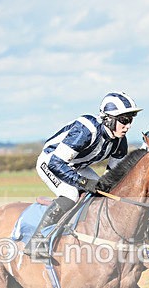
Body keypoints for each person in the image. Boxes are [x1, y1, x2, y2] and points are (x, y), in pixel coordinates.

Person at [26, 92, 142, 258]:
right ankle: (36, 241)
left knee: (106, 193)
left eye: (130, 120)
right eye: (124, 120)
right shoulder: (87, 130)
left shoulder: (120, 141)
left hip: (76, 165)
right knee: (71, 194)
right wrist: (83, 182)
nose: (128, 125)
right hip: (51, 161)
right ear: (108, 119)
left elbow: (114, 177)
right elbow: (56, 163)